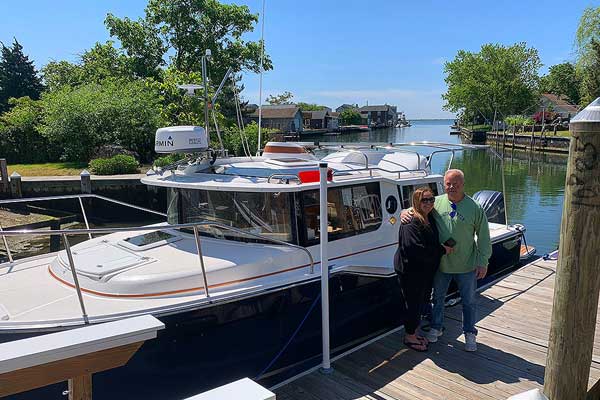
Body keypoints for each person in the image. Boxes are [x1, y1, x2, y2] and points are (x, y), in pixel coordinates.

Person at [401, 169, 492, 352]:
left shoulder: (475, 207)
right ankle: (436, 327)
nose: (452, 187)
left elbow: (483, 237)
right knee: (438, 298)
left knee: (469, 301)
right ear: (444, 184)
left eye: (456, 183)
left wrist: (483, 261)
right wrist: (405, 211)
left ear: (463, 184)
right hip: (441, 265)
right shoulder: (436, 203)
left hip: (466, 265)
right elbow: (419, 208)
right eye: (448, 183)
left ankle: (469, 333)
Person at [395, 187, 453, 352]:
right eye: (424, 200)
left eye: (431, 199)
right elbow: (414, 249)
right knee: (412, 304)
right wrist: (442, 250)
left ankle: (414, 331)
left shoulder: (429, 217)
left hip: (424, 271)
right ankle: (409, 336)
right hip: (411, 271)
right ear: (416, 202)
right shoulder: (411, 222)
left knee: (420, 302)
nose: (428, 203)